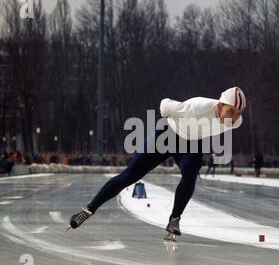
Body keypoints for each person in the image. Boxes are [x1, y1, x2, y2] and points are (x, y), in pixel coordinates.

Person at [67, 86, 247, 239]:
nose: (234, 117)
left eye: (238, 113)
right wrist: (166, 115)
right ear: (220, 105)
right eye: (231, 111)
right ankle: (88, 210)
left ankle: (174, 219)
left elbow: (229, 119)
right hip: (168, 133)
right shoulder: (195, 108)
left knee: (190, 176)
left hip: (192, 142)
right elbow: (165, 103)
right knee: (130, 175)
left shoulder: (236, 121)